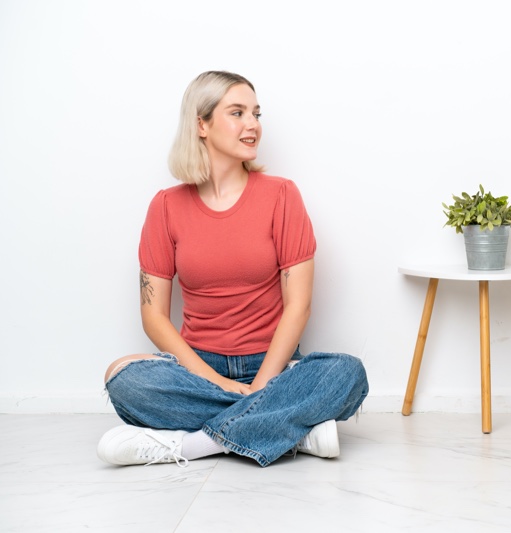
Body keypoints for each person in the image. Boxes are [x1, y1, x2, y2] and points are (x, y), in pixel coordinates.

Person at [97, 71, 369, 468]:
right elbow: (154, 317)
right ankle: (293, 430)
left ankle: (193, 446)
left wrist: (260, 386)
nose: (253, 125)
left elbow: (298, 306)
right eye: (237, 113)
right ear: (201, 125)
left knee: (347, 374)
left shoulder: (282, 195)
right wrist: (221, 383)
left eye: (256, 113)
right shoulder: (166, 206)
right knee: (123, 379)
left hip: (274, 364)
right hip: (197, 366)